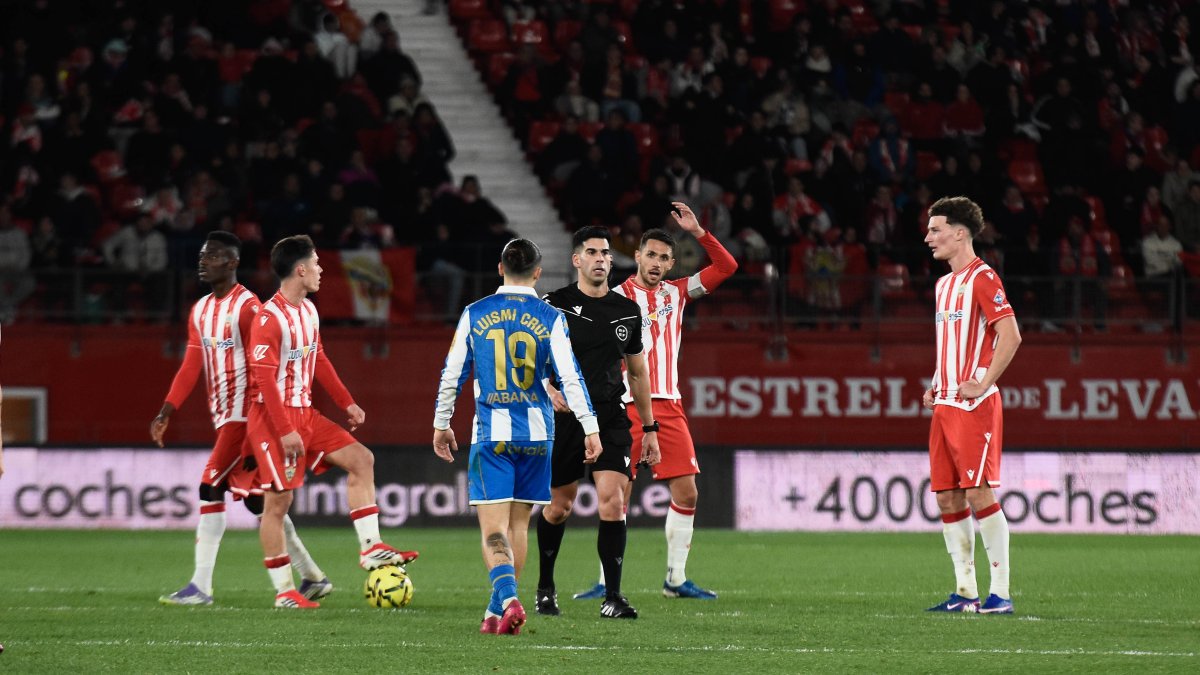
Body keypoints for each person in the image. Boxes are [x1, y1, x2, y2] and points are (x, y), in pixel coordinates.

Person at [432, 238, 601, 635]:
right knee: (519, 527)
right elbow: (571, 376)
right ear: (538, 273)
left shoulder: (475, 312)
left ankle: (508, 600)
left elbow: (452, 374)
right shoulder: (550, 316)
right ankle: (496, 612)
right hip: (538, 436)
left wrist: (442, 423)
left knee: (493, 529)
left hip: (492, 436)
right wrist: (590, 427)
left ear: (500, 268)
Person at [155, 231, 330, 606]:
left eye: (212, 256)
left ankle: (201, 586)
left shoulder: (250, 308)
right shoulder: (201, 310)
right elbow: (191, 364)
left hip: (244, 418)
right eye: (202, 255)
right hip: (225, 417)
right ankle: (313, 576)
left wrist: (260, 428)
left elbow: (265, 368)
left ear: (232, 262)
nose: (203, 261)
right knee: (259, 504)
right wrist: (168, 409)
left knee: (210, 487)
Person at [575, 203, 737, 602]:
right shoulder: (613, 298)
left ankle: (675, 580)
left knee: (688, 493)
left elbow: (727, 266)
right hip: (623, 407)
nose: (657, 263)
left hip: (668, 406)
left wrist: (698, 232)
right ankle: (605, 582)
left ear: (671, 264)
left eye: (665, 258)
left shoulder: (677, 293)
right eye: (651, 255)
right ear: (638, 256)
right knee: (617, 496)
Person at [247, 235, 418, 608]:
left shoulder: (308, 310)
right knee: (277, 504)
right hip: (273, 419)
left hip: (306, 414)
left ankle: (371, 547)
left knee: (362, 459)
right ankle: (284, 592)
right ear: (300, 270)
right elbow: (264, 379)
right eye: (316, 263)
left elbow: (319, 357)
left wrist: (346, 402)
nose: (321, 270)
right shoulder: (268, 318)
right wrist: (285, 430)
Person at [534, 226, 661, 620]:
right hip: (566, 417)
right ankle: (545, 587)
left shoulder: (627, 310)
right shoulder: (553, 305)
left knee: (614, 501)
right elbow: (529, 358)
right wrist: (547, 389)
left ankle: (613, 596)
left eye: (605, 253)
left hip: (609, 414)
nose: (601, 259)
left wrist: (650, 429)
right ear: (577, 260)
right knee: (559, 507)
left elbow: (637, 373)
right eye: (592, 252)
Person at [921, 196, 1021, 615]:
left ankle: (1001, 593)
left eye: (936, 230)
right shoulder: (943, 285)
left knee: (978, 492)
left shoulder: (983, 277)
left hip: (973, 407)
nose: (929, 238)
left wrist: (983, 383)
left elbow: (1010, 336)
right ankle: (965, 592)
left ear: (960, 233)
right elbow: (952, 346)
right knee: (947, 497)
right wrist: (936, 383)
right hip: (945, 403)